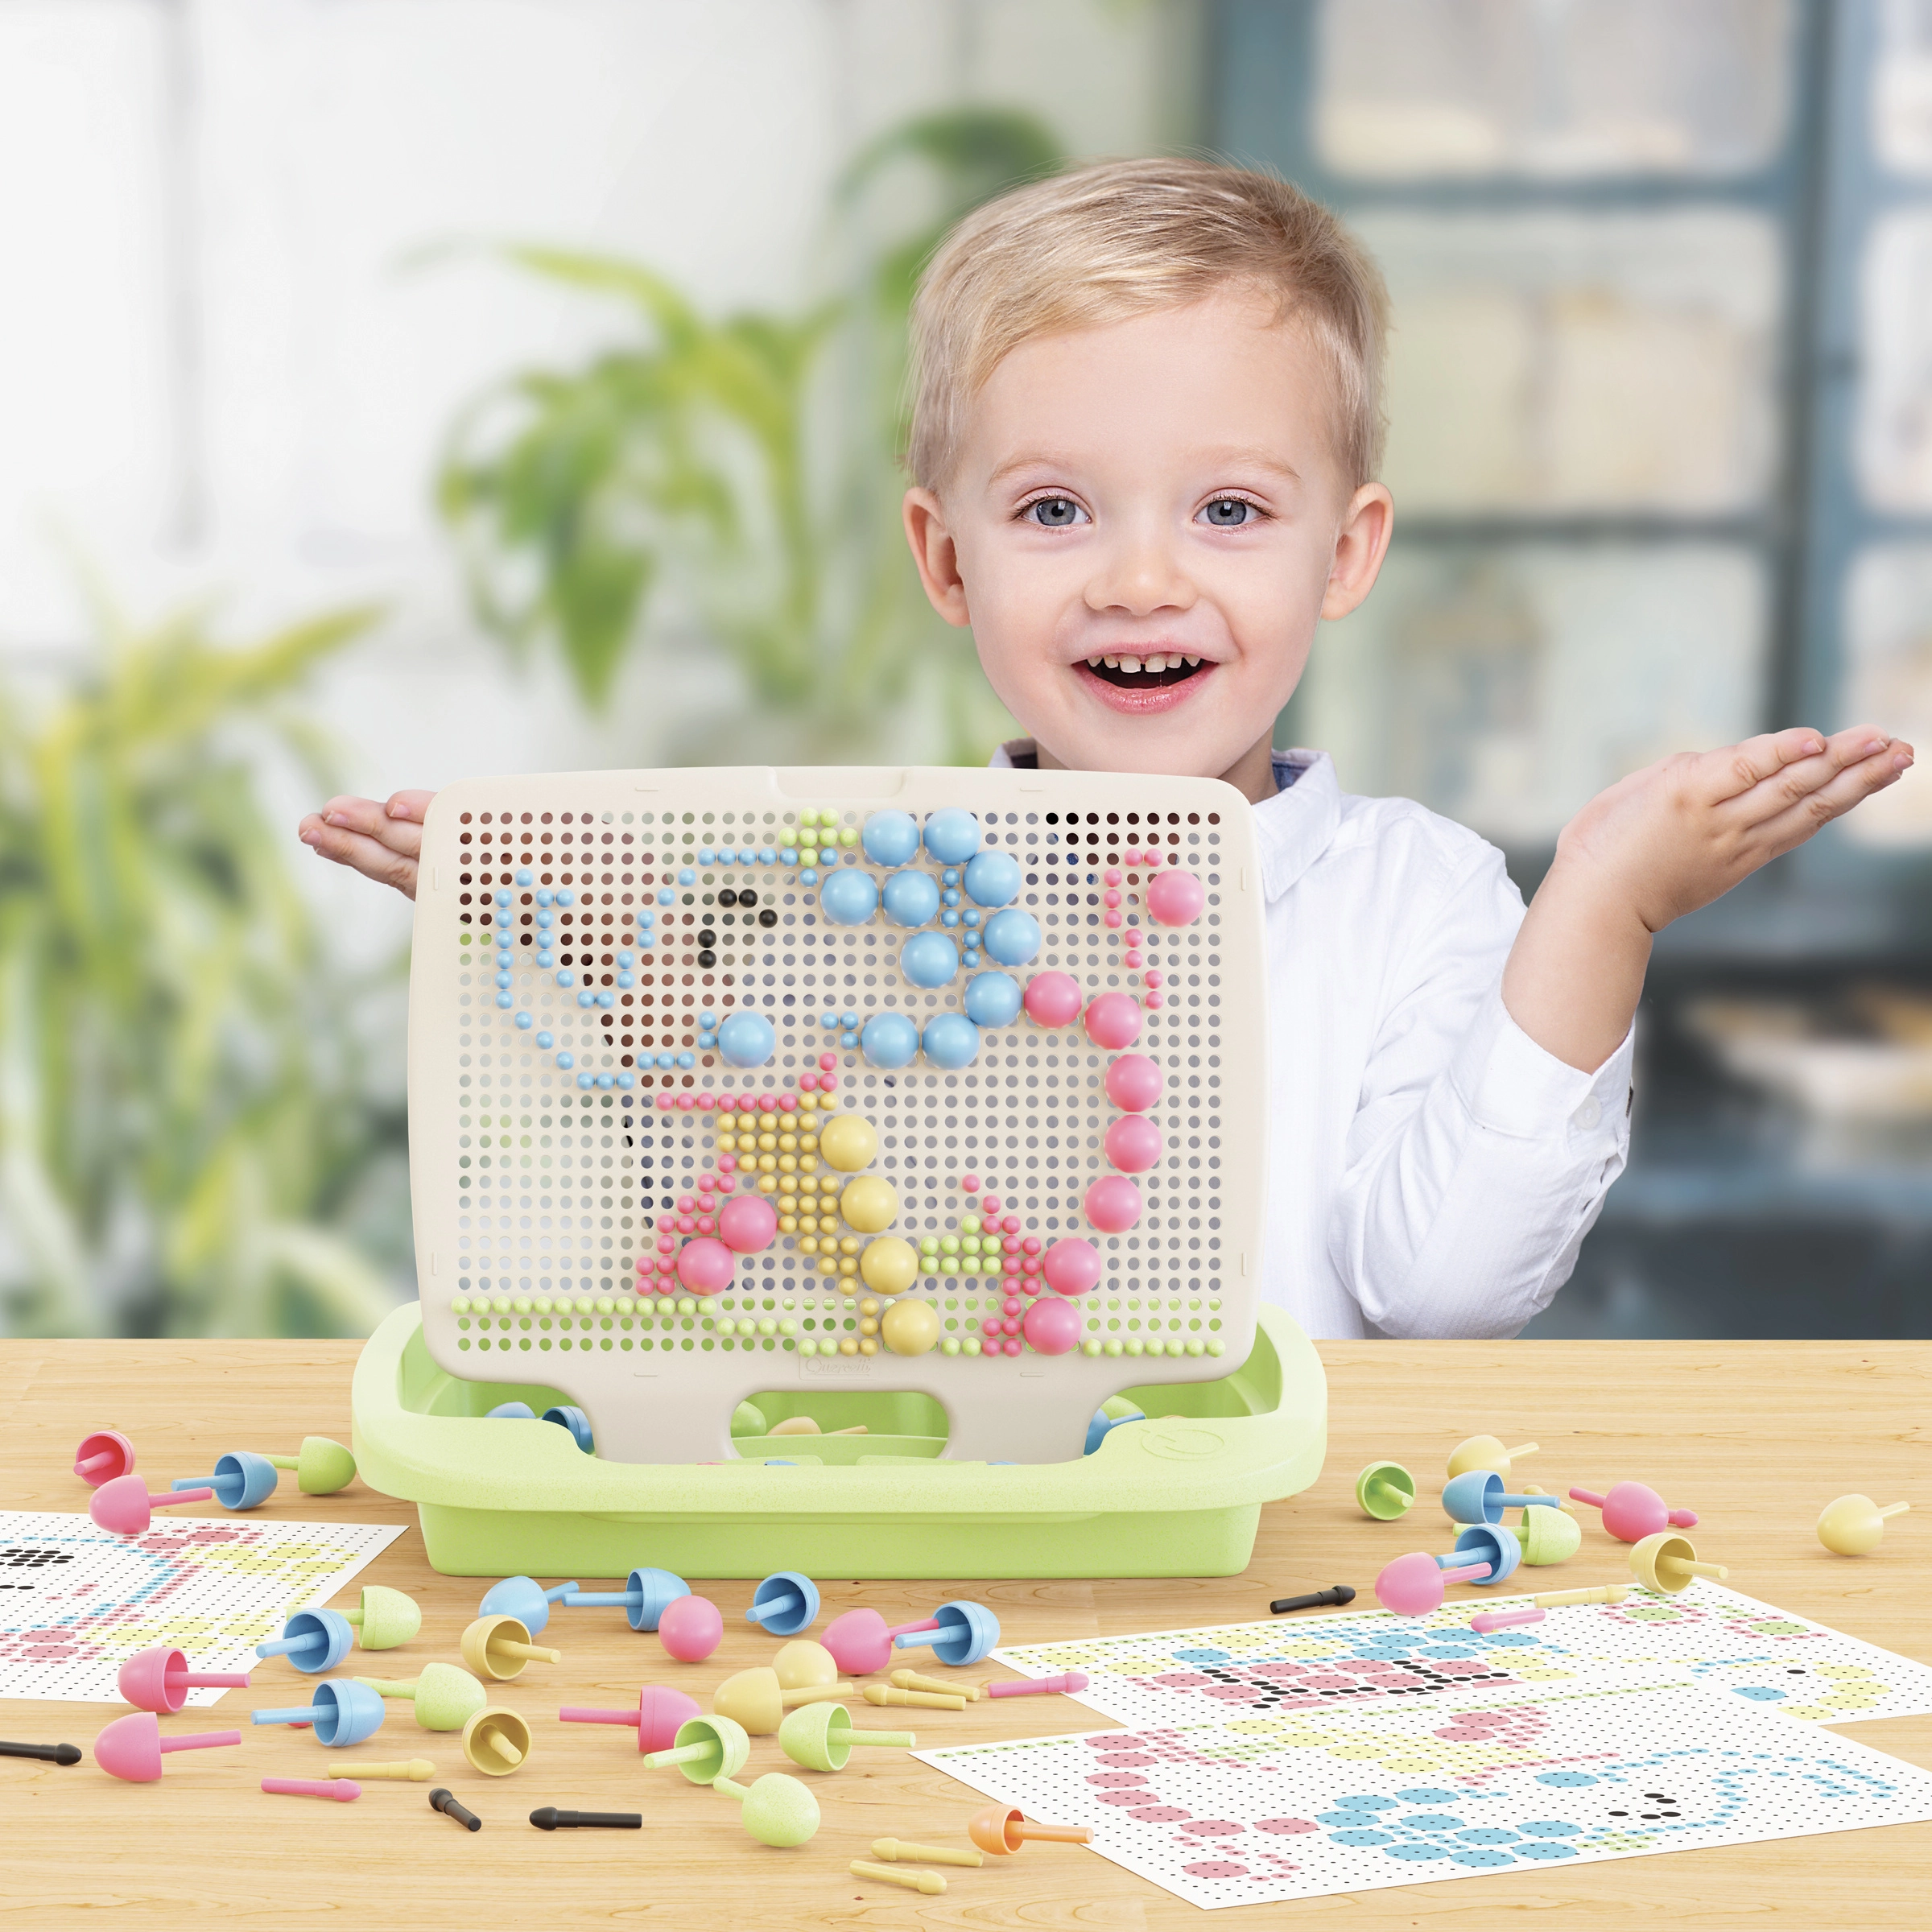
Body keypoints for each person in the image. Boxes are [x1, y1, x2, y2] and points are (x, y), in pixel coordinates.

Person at [300, 158, 1913, 1340]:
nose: (1142, 579)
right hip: (941, 1578)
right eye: (1057, 509)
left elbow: (1445, 1291)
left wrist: (1604, 907)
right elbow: (770, 1244)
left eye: (1230, 510)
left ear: (1346, 554)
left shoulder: (1420, 900)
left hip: (1291, 1591)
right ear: (946, 560)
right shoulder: (846, 893)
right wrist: (608, 954)